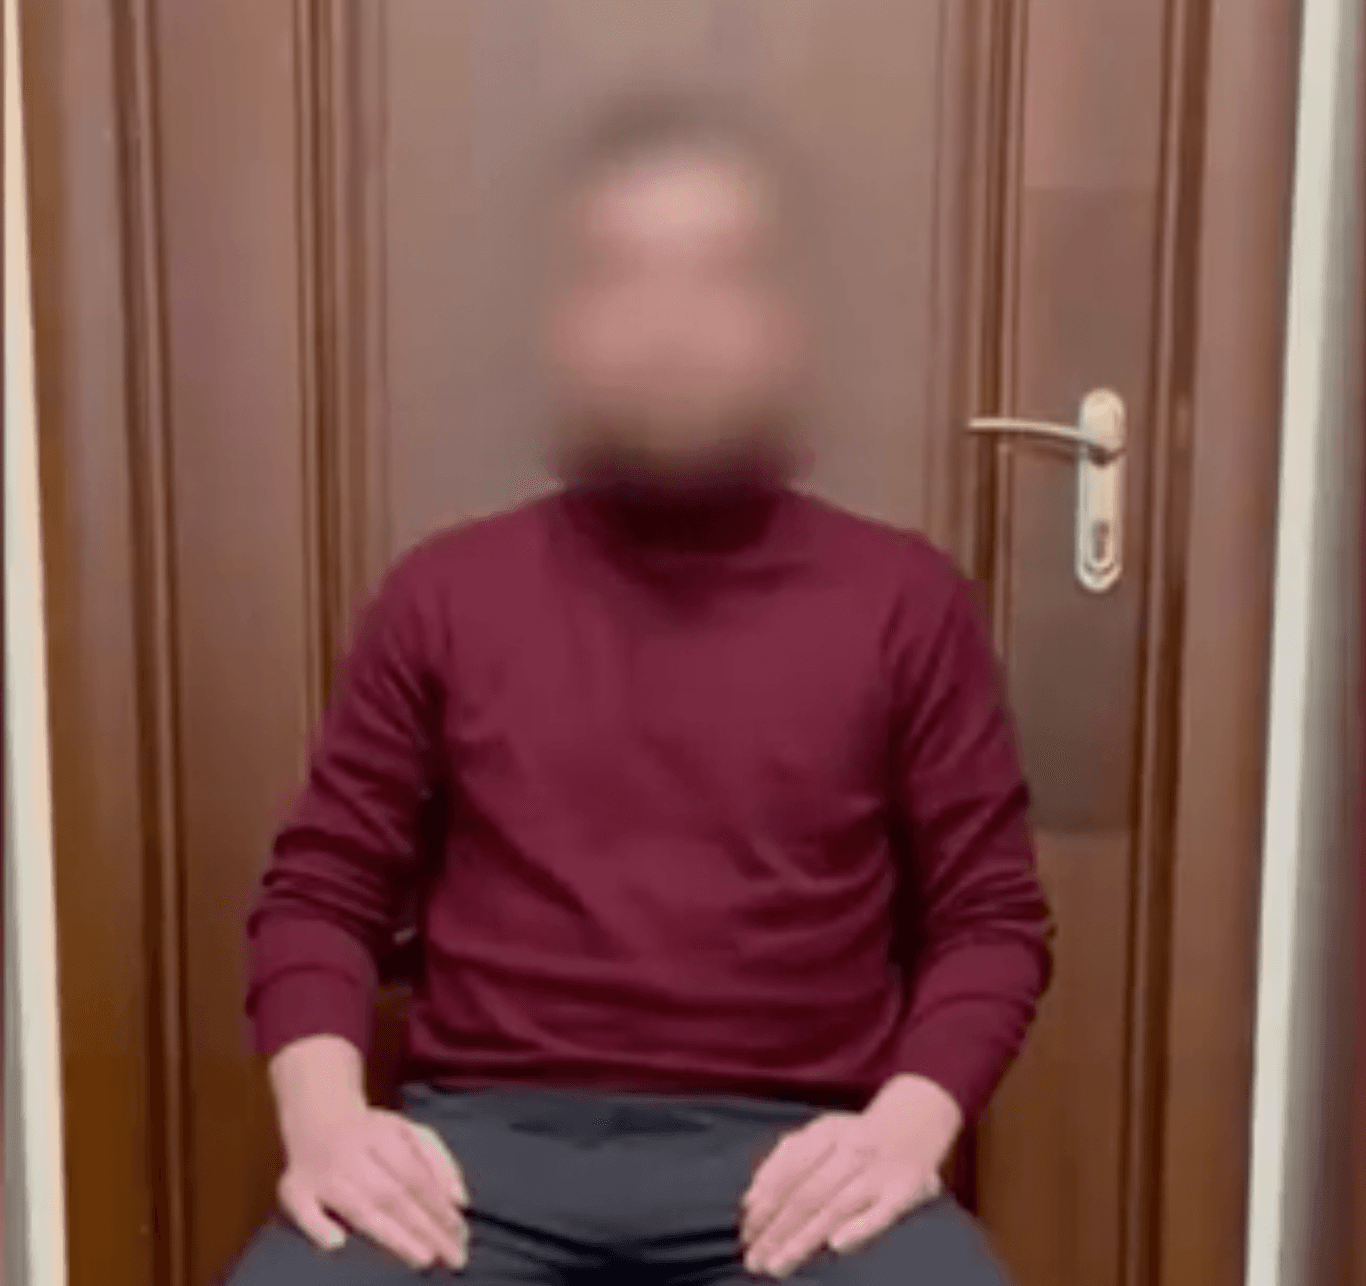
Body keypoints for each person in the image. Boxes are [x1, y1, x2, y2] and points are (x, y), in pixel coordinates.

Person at [227, 89, 1052, 1286]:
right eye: (622, 275)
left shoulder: (904, 599)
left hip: (797, 1165)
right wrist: (327, 1126)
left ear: (788, 322)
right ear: (560, 324)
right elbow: (320, 891)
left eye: (720, 275)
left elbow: (990, 919)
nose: (671, 324)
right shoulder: (444, 592)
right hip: (475, 1161)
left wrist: (902, 1132)